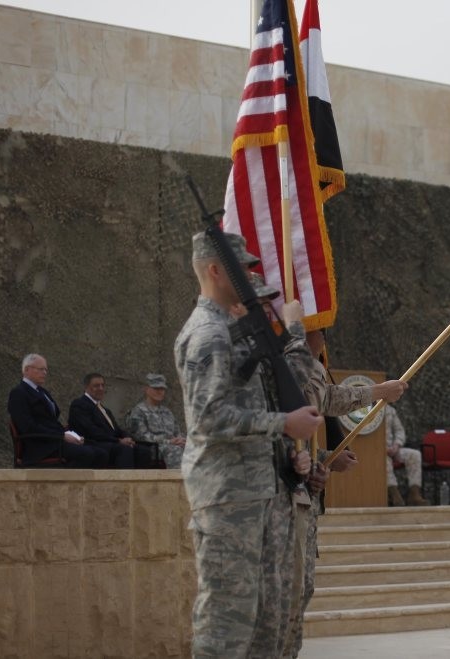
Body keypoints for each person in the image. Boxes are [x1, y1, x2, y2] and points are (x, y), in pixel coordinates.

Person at [175, 230, 322, 658]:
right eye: (241, 268)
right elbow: (208, 418)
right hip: (227, 497)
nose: (250, 276)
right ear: (216, 271)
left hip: (255, 493)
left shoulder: (230, 332)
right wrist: (284, 424)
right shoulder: (208, 334)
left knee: (263, 622)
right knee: (227, 622)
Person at [283, 321, 408, 658]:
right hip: (281, 504)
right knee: (285, 595)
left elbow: (322, 402)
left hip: (304, 498)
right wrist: (378, 392)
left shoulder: (307, 369)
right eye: (317, 329)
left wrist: (322, 460)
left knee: (301, 591)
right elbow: (321, 402)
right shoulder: (283, 369)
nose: (322, 339)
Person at [7, 353, 107, 468]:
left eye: (46, 370)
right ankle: (67, 479)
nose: (44, 373)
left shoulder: (43, 392)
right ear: (26, 370)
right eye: (41, 369)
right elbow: (27, 426)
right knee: (86, 454)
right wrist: (61, 436)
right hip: (40, 446)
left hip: (56, 441)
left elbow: (52, 421)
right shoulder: (19, 393)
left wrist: (72, 435)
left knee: (101, 453)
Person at [68, 372, 154, 469]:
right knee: (124, 449)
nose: (101, 388)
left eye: (102, 385)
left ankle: (139, 479)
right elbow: (91, 430)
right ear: (86, 387)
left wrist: (127, 438)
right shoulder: (79, 404)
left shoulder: (105, 410)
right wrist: (119, 441)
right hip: (93, 443)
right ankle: (123, 479)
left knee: (143, 451)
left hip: (111, 443)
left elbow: (116, 430)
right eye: (96, 386)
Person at [124, 373, 186, 469]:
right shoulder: (139, 411)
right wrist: (168, 441)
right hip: (153, 448)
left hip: (172, 444)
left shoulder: (167, 411)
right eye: (156, 388)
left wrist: (182, 440)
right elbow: (142, 437)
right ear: (146, 389)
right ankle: (178, 478)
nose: (160, 392)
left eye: (162, 389)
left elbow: (177, 432)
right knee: (175, 451)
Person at [384, 404, 429, 507]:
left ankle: (414, 494)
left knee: (414, 455)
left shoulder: (390, 410)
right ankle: (394, 494)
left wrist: (396, 445)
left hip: (393, 448)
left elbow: (399, 431)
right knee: (384, 459)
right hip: (377, 450)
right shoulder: (366, 409)